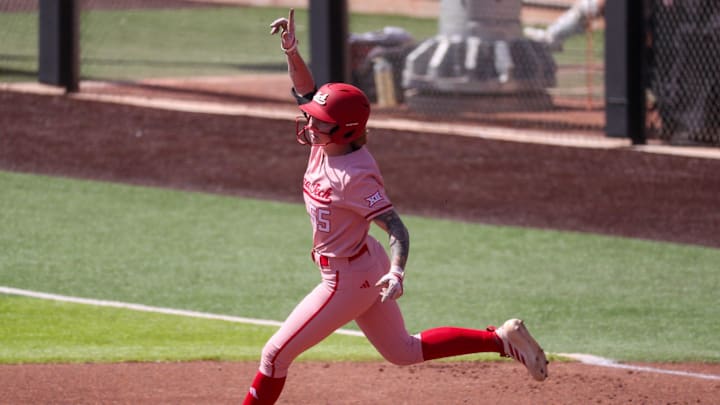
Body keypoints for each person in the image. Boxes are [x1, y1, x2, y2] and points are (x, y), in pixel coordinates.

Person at [242, 9, 549, 404]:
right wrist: (292, 51)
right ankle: (502, 341)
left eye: (320, 120)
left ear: (346, 129)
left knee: (274, 355)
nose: (310, 123)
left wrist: (398, 272)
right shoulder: (327, 142)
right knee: (403, 351)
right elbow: (305, 90)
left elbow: (396, 227)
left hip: (349, 278)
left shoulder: (354, 175)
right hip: (363, 262)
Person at [524, 0, 606, 51]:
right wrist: (591, 15)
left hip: (587, 12)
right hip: (587, 8)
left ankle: (551, 40)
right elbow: (600, 4)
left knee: (574, 28)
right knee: (567, 23)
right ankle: (547, 37)